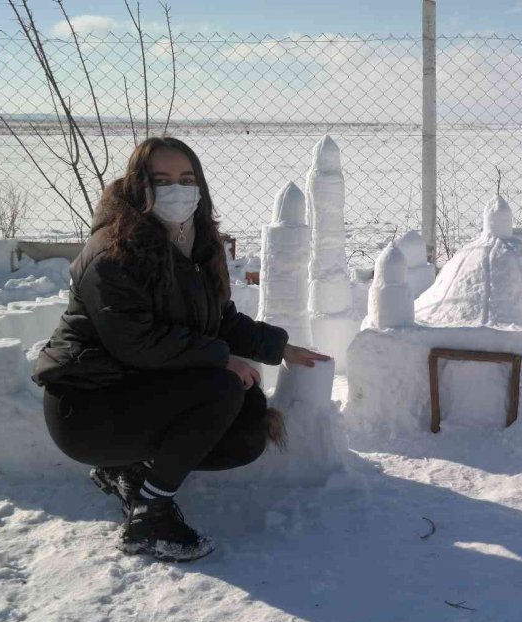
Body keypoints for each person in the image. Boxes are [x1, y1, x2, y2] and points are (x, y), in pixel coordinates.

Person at [33, 137, 330, 563]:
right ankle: (148, 513)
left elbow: (220, 320)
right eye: (162, 179)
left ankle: (129, 470)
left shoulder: (194, 244)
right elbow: (135, 342)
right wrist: (221, 358)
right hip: (87, 406)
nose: (178, 188)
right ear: (140, 187)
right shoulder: (112, 253)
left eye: (187, 178)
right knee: (223, 387)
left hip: (136, 392)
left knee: (246, 428)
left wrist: (281, 347)